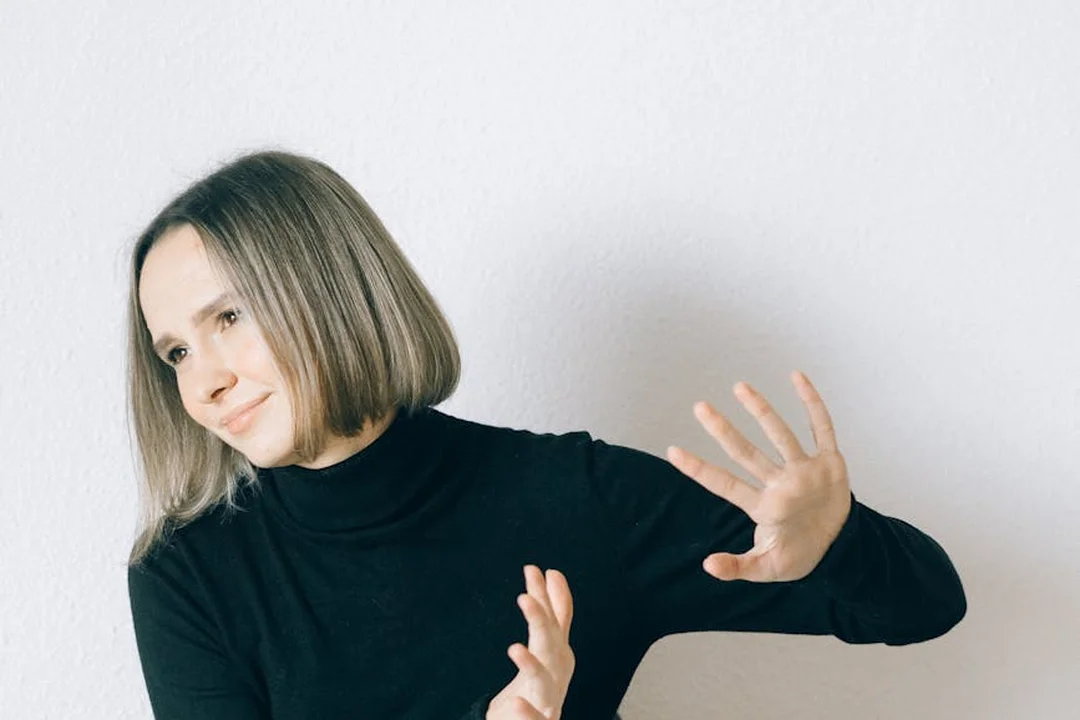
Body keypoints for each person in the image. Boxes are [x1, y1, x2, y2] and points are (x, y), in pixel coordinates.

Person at [125, 150, 967, 720]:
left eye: (228, 316)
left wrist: (842, 544)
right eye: (175, 351)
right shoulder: (189, 573)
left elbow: (928, 606)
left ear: (327, 289)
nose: (203, 381)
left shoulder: (577, 499)